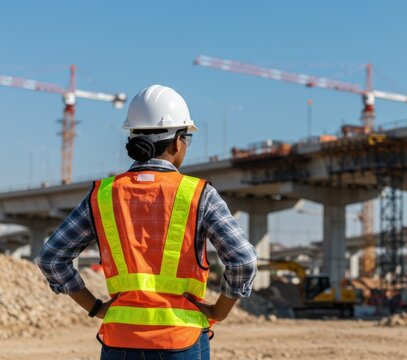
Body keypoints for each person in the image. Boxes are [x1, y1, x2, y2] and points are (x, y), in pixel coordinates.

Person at [37, 84, 257, 360]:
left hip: (120, 339)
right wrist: (219, 311)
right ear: (178, 141)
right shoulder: (198, 194)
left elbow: (51, 258)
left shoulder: (103, 194)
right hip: (181, 338)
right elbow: (243, 260)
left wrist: (95, 307)